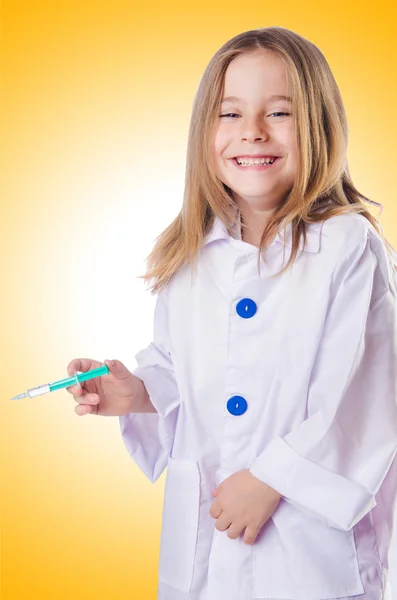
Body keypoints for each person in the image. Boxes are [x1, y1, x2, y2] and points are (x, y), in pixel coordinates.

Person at [66, 26, 397, 600]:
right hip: (208, 549)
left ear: (319, 127)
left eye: (280, 112)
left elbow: (366, 397)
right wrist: (137, 393)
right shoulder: (191, 253)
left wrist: (272, 479)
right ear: (204, 132)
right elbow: (183, 370)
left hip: (307, 553)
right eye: (230, 114)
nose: (252, 133)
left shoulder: (346, 247)